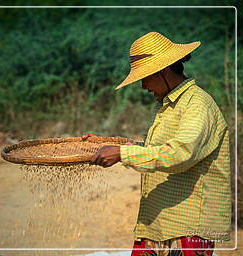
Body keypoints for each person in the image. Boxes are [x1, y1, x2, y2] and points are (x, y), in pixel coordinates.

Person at [83, 32, 231, 256]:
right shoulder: (172, 105)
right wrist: (108, 144)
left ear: (162, 70)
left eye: (145, 77)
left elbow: (181, 153)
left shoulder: (197, 103)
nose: (143, 86)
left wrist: (123, 154)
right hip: (159, 223)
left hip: (186, 225)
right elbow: (159, 150)